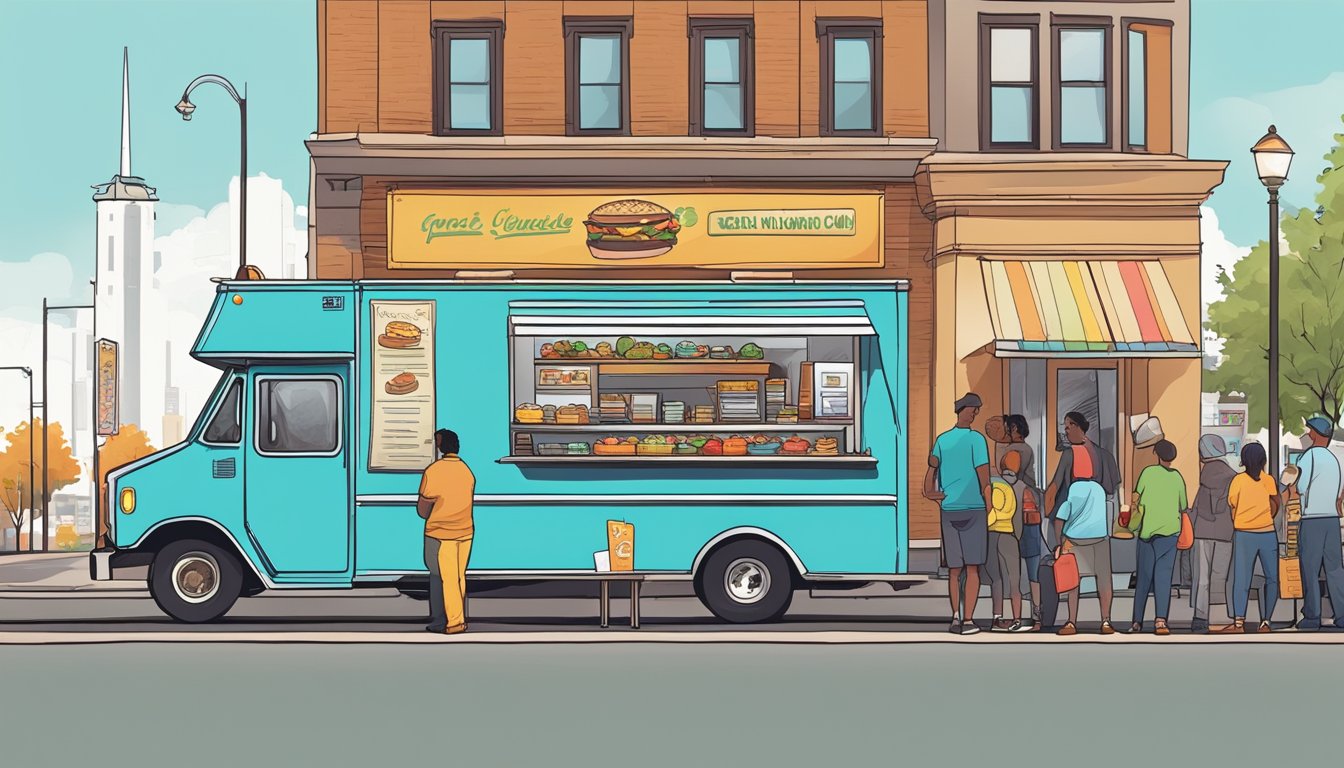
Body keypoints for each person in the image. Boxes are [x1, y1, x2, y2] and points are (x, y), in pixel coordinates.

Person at [924, 392, 992, 635]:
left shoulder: (942, 440)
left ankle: (955, 617)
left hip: (949, 510)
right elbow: (984, 477)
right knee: (972, 568)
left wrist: (934, 495)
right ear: (964, 409)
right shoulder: (977, 440)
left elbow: (930, 473)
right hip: (974, 508)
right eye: (974, 408)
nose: (976, 413)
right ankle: (969, 620)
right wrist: (990, 503)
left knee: (955, 568)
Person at [1048, 412, 1119, 635]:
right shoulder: (1104, 456)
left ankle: (1072, 621)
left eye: (1069, 426)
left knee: (1072, 579)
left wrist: (1055, 535)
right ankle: (1105, 620)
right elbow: (1114, 486)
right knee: (1103, 578)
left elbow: (1054, 491)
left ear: (1079, 427)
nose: (1066, 430)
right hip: (1099, 532)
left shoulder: (1069, 457)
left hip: (1075, 533)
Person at [418, 428, 476, 635]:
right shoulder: (466, 471)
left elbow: (423, 509)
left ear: (441, 445)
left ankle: (451, 622)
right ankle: (453, 618)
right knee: (458, 577)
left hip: (440, 534)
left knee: (443, 578)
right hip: (465, 532)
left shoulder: (434, 471)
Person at [1218, 442, 1279, 633]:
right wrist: (1266, 517)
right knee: (1271, 578)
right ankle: (1266, 622)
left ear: (1244, 460)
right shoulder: (1268, 480)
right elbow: (1276, 503)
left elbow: (1232, 506)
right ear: (1263, 460)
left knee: (1241, 579)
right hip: (1268, 533)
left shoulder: (1238, 481)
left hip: (1244, 534)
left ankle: (1238, 623)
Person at [1128, 440, 1186, 635]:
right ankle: (1161, 621)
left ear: (1157, 454)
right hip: (1170, 533)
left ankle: (1137, 621)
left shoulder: (1147, 473)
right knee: (1163, 577)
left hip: (1147, 533)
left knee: (1143, 578)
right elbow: (1184, 505)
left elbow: (1135, 498)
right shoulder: (1177, 477)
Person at [1293, 416, 1344, 630]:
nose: (1307, 435)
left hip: (1312, 519)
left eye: (1309, 431)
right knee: (1334, 569)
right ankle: (1341, 615)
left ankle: (1312, 617)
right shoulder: (1335, 460)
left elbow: (1300, 486)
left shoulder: (1308, 457)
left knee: (1310, 569)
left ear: (1314, 433)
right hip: (1332, 520)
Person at [999, 414, 1049, 630]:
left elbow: (1011, 472)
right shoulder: (1022, 449)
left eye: (1011, 427)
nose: (1010, 431)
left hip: (1021, 507)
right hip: (1026, 508)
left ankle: (1026, 616)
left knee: (1021, 568)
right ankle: (1034, 616)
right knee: (1030, 567)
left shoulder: (1018, 450)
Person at [1189, 434, 1237, 634]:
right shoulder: (1233, 476)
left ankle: (1200, 616)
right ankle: (1219, 615)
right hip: (1226, 530)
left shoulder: (1204, 477)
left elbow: (1197, 507)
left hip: (1202, 531)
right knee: (1221, 573)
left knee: (1202, 575)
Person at [985, 455, 1032, 632]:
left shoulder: (991, 484)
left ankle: (997, 617)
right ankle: (1017, 619)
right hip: (1009, 534)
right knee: (1014, 579)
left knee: (996, 578)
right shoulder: (1017, 487)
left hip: (991, 533)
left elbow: (989, 509)